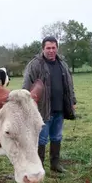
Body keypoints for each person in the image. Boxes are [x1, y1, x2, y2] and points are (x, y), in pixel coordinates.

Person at [22, 36, 77, 173]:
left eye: (53, 48)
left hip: (59, 109)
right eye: (48, 48)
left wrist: (73, 101)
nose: (51, 51)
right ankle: (37, 167)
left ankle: (55, 164)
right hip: (42, 110)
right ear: (43, 48)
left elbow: (69, 84)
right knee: (41, 139)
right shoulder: (35, 65)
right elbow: (26, 87)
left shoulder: (62, 64)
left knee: (57, 136)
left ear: (57, 48)